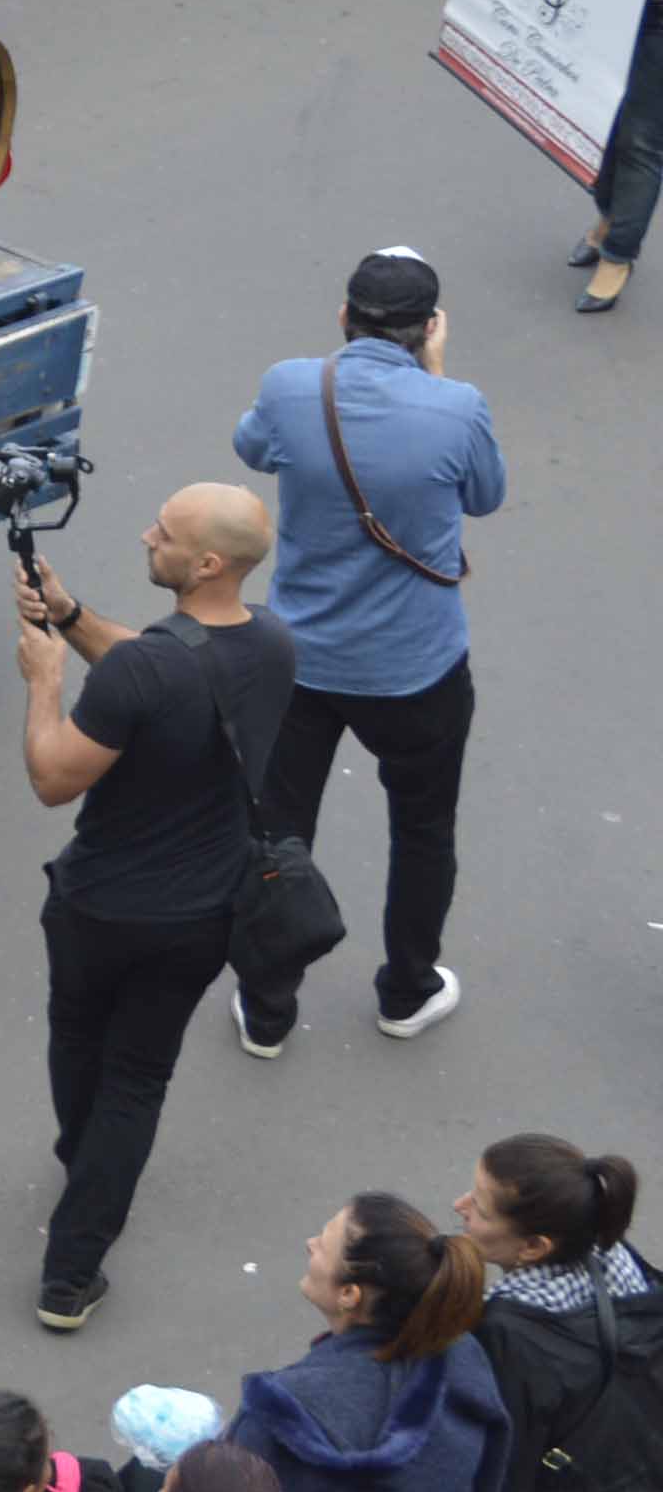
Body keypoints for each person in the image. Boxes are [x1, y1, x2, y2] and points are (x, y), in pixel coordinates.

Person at [14, 479, 294, 1329]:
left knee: (80, 1039)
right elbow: (164, 666)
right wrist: (69, 612)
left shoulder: (143, 671)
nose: (147, 536)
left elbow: (53, 778)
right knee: (138, 1077)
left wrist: (45, 678)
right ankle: (71, 1274)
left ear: (205, 563)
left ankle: (84, 1175)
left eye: (164, 533)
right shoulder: (272, 644)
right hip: (202, 914)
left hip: (99, 907)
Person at [224, 246, 500, 1051]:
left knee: (278, 831)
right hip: (418, 670)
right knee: (423, 829)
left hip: (300, 665)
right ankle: (406, 992)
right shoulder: (457, 407)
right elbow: (485, 495)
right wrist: (435, 377)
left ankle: (267, 1009)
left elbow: (252, 447)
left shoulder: (290, 386)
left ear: (344, 315)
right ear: (429, 327)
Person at [232, 1197, 515, 1492]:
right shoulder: (462, 1358)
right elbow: (487, 1486)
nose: (310, 1244)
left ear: (349, 1295)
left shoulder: (279, 1412)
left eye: (323, 1244)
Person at [459, 1132, 663, 1492]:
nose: (460, 1206)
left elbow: (501, 1485)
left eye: (479, 1208)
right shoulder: (626, 1269)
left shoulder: (509, 1335)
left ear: (534, 1247)